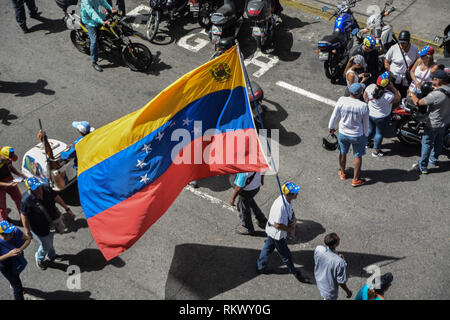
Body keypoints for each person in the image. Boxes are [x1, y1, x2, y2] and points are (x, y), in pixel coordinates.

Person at [256, 182, 312, 284]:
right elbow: (277, 225)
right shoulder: (280, 206)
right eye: (295, 193)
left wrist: (293, 217)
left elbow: (290, 209)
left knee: (268, 248)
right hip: (277, 234)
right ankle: (296, 273)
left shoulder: (287, 200)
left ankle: (261, 266)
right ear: (289, 194)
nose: (297, 194)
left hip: (274, 232)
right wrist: (289, 229)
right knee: (286, 256)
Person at [20, 176, 74, 270]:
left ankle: (51, 255)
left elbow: (56, 197)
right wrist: (27, 230)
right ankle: (39, 258)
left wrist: (67, 208)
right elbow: (24, 216)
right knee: (46, 245)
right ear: (29, 189)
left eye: (38, 186)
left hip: (52, 222)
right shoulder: (26, 200)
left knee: (50, 240)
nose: (38, 189)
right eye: (34, 188)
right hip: (39, 228)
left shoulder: (45, 187)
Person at [329, 83, 370, 187]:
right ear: (360, 93)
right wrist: (366, 134)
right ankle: (355, 179)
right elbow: (366, 124)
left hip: (343, 133)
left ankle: (342, 173)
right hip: (357, 135)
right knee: (358, 156)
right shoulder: (363, 106)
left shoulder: (342, 100)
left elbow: (334, 115)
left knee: (343, 152)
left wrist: (331, 127)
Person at [411, 69, 450, 174]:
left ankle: (422, 167)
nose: (432, 81)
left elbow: (419, 102)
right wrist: (438, 89)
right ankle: (433, 160)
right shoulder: (447, 89)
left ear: (438, 80)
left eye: (433, 79)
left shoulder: (435, 95)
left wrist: (412, 94)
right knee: (439, 141)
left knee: (427, 144)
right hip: (444, 122)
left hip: (433, 123)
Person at [364, 72, 401, 157]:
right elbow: (398, 97)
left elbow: (365, 97)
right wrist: (392, 87)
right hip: (382, 117)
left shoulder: (370, 87)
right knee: (379, 133)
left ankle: (366, 143)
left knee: (370, 129)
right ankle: (376, 152)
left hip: (370, 113)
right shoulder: (388, 95)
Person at [80, 0, 118, 72]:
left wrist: (110, 8)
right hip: (90, 21)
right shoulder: (85, 1)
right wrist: (102, 21)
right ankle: (94, 62)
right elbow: (91, 12)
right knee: (94, 42)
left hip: (99, 15)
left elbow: (102, 1)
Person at [314, 233, 352, 300]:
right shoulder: (339, 262)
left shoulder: (318, 249)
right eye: (338, 240)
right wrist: (348, 291)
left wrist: (336, 256)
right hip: (329, 291)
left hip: (320, 282)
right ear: (335, 244)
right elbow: (341, 282)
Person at [0, 220, 31, 300]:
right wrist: (8, 255)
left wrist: (20, 249)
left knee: (16, 276)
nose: (13, 233)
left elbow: (28, 239)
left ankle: (12, 283)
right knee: (18, 288)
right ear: (2, 236)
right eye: (9, 233)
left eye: (12, 231)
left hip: (18, 259)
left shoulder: (15, 231)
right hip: (6, 266)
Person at [384, 30, 419, 98]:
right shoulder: (393, 48)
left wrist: (413, 70)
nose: (401, 45)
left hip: (406, 79)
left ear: (408, 42)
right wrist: (389, 72)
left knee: (404, 95)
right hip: (394, 77)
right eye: (400, 43)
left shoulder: (415, 49)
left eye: (404, 43)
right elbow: (386, 61)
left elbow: (419, 60)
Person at [0, 147, 27, 222]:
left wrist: (18, 174)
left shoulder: (7, 157)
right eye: (8, 159)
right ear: (3, 156)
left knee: (19, 199)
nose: (9, 161)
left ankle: (23, 218)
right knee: (2, 206)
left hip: (10, 180)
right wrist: (8, 185)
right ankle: (5, 220)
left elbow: (10, 166)